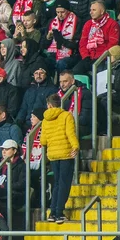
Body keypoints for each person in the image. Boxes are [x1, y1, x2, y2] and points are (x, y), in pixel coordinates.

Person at [41, 93, 79, 224]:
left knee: (57, 183)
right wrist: (76, 146)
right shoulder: (66, 115)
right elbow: (70, 133)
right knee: (64, 183)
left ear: (49, 105)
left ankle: (52, 212)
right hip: (66, 154)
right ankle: (59, 213)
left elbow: (43, 140)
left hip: (52, 155)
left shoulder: (45, 119)